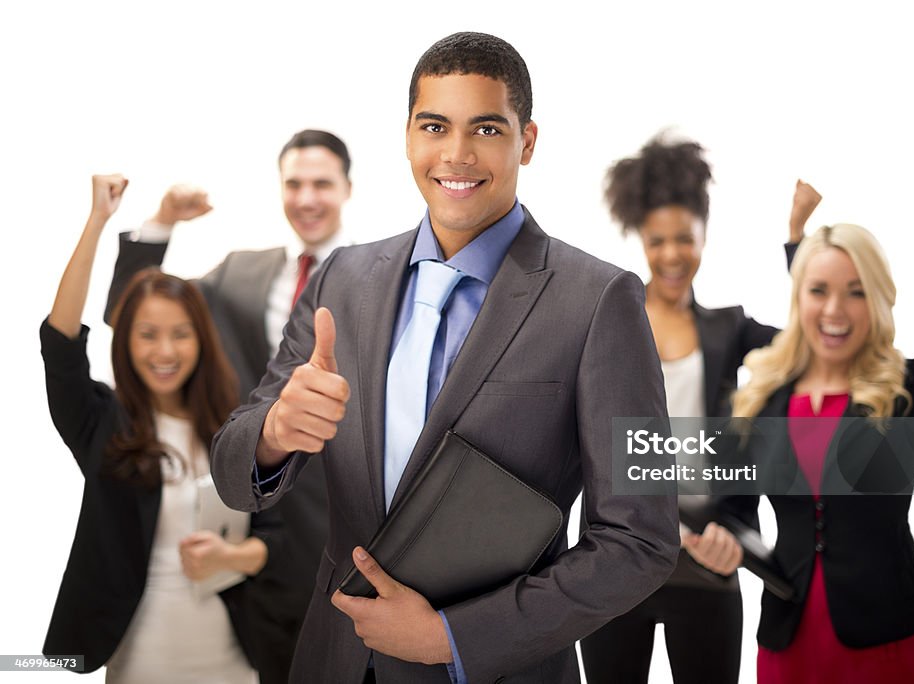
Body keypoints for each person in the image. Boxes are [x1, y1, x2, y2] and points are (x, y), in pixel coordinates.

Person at [210, 32, 679, 684]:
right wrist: (272, 434)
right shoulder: (340, 280)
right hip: (334, 662)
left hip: (493, 669)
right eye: (435, 126)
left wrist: (454, 638)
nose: (457, 154)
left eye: (486, 128)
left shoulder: (602, 300)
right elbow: (235, 470)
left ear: (528, 140)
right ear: (408, 135)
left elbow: (642, 540)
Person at [689, 187, 914, 683]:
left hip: (889, 646)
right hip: (788, 647)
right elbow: (734, 510)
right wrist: (722, 547)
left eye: (857, 291)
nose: (836, 309)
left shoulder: (903, 395)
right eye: (819, 291)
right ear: (800, 296)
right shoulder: (760, 404)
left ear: (877, 301)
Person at [103, 129, 351, 683]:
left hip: (338, 524)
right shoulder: (241, 273)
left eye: (322, 184)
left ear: (347, 189)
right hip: (247, 521)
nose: (306, 198)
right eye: (294, 184)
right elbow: (136, 317)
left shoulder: (378, 278)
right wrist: (161, 222)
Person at [580, 138, 819, 683]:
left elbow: (808, 348)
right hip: (616, 563)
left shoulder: (728, 328)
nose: (671, 255)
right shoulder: (603, 321)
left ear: (703, 237)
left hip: (708, 564)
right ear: (640, 238)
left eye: (684, 238)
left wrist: (797, 245)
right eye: (658, 240)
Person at [41, 175, 282, 681]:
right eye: (148, 335)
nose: (165, 351)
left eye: (179, 334)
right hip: (143, 655)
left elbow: (279, 536)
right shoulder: (103, 424)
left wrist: (234, 556)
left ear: (202, 338)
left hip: (234, 656)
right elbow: (60, 345)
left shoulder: (233, 426)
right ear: (125, 340)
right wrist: (97, 221)